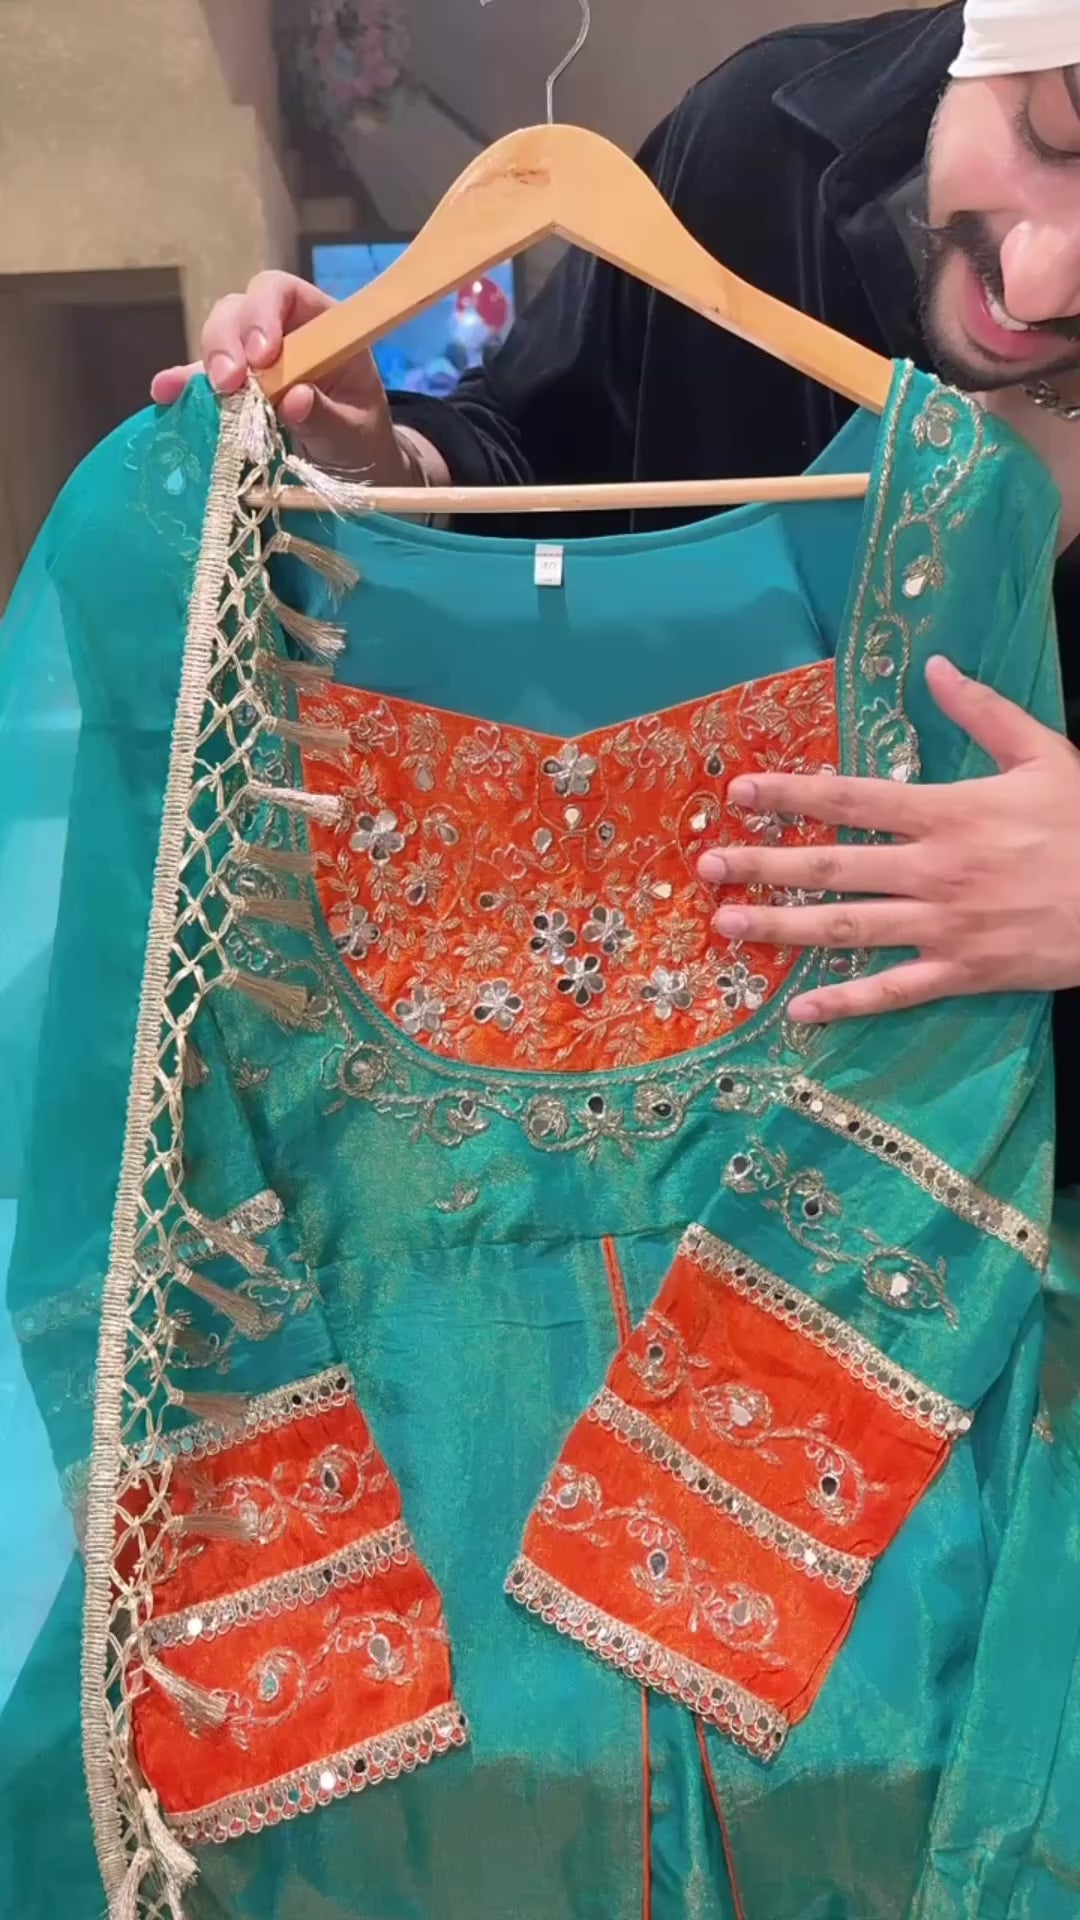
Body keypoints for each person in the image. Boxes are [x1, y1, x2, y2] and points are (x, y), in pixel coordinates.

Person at [152, 0, 1080, 1184]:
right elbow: (547, 450)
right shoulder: (757, 154)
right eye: (1048, 134)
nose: (1038, 281)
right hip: (627, 1131)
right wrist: (380, 464)